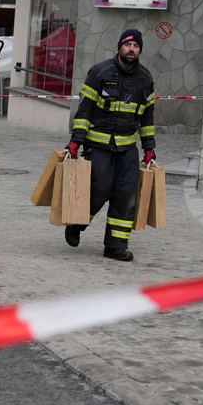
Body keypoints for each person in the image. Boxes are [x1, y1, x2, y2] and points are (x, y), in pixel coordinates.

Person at [64, 29, 156, 262]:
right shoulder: (99, 72)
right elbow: (84, 111)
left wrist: (149, 148)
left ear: (140, 50)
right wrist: (76, 141)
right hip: (99, 145)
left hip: (127, 149)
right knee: (99, 189)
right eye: (128, 45)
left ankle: (116, 246)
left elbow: (147, 117)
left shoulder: (145, 79)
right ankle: (77, 225)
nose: (132, 49)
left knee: (126, 196)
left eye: (136, 46)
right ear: (119, 47)